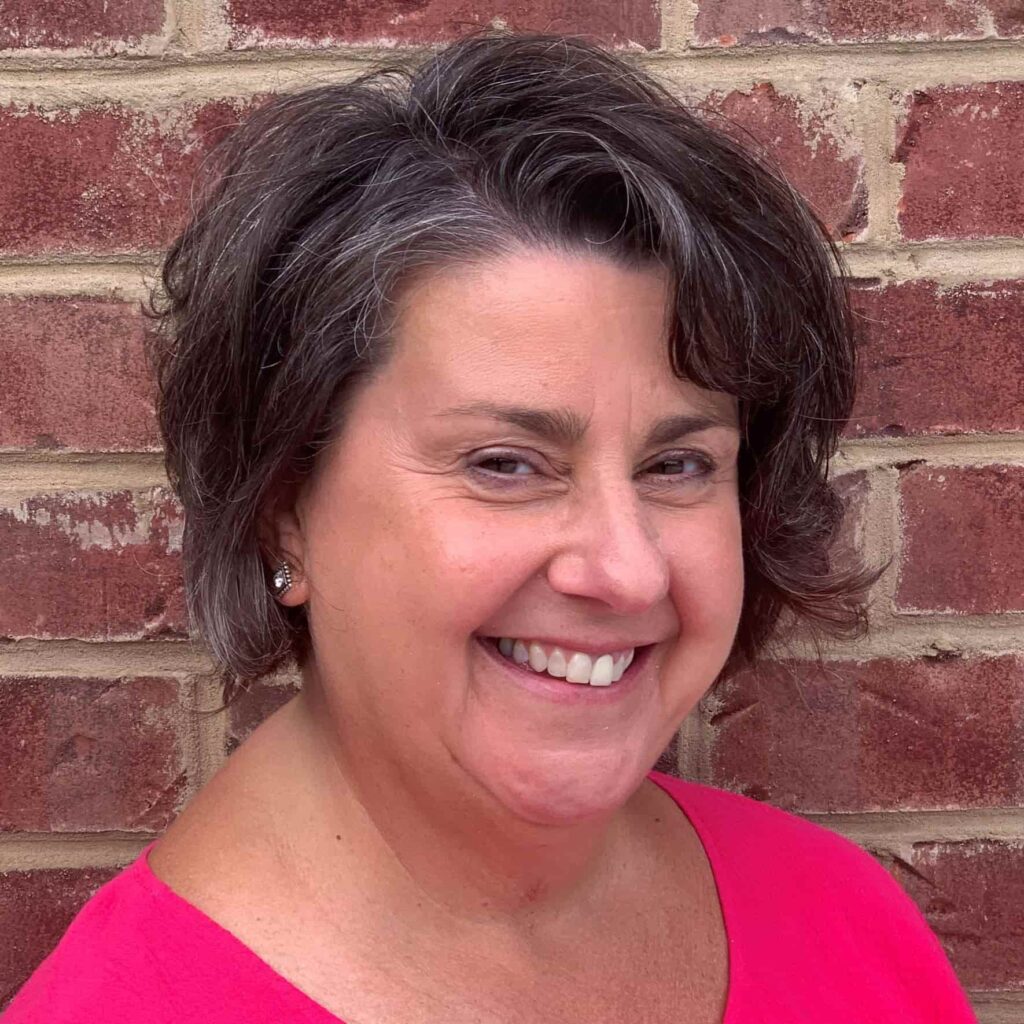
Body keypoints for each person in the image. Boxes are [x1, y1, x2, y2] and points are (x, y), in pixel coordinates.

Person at [4, 31, 977, 1024]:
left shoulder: (842, 918)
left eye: (675, 464)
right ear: (280, 509)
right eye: (506, 464)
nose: (627, 570)